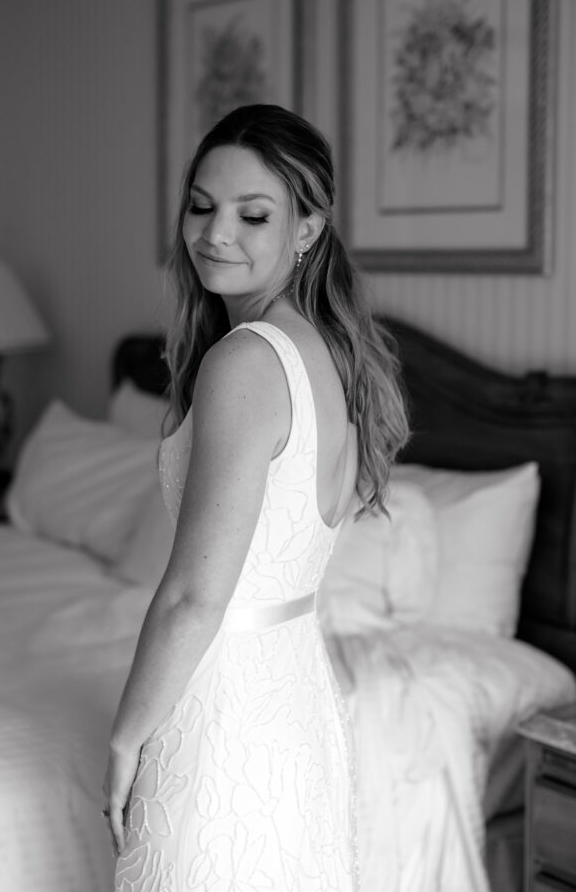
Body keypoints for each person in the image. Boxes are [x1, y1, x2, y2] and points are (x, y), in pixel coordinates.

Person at [103, 103, 409, 890]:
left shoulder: (244, 362)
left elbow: (193, 597)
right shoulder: (331, 355)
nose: (215, 234)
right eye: (201, 206)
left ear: (306, 230)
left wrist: (127, 736)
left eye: (253, 214)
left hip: (221, 714)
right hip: (297, 710)